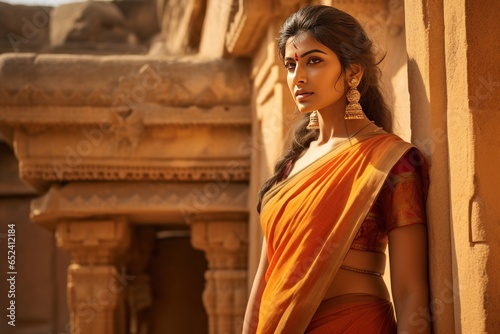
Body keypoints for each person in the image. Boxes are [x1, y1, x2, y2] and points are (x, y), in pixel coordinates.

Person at [242, 5, 430, 334]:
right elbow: (264, 282)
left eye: (314, 61)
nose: (298, 76)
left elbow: (410, 290)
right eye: (290, 64)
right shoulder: (289, 167)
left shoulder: (392, 160)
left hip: (353, 323)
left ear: (353, 73)